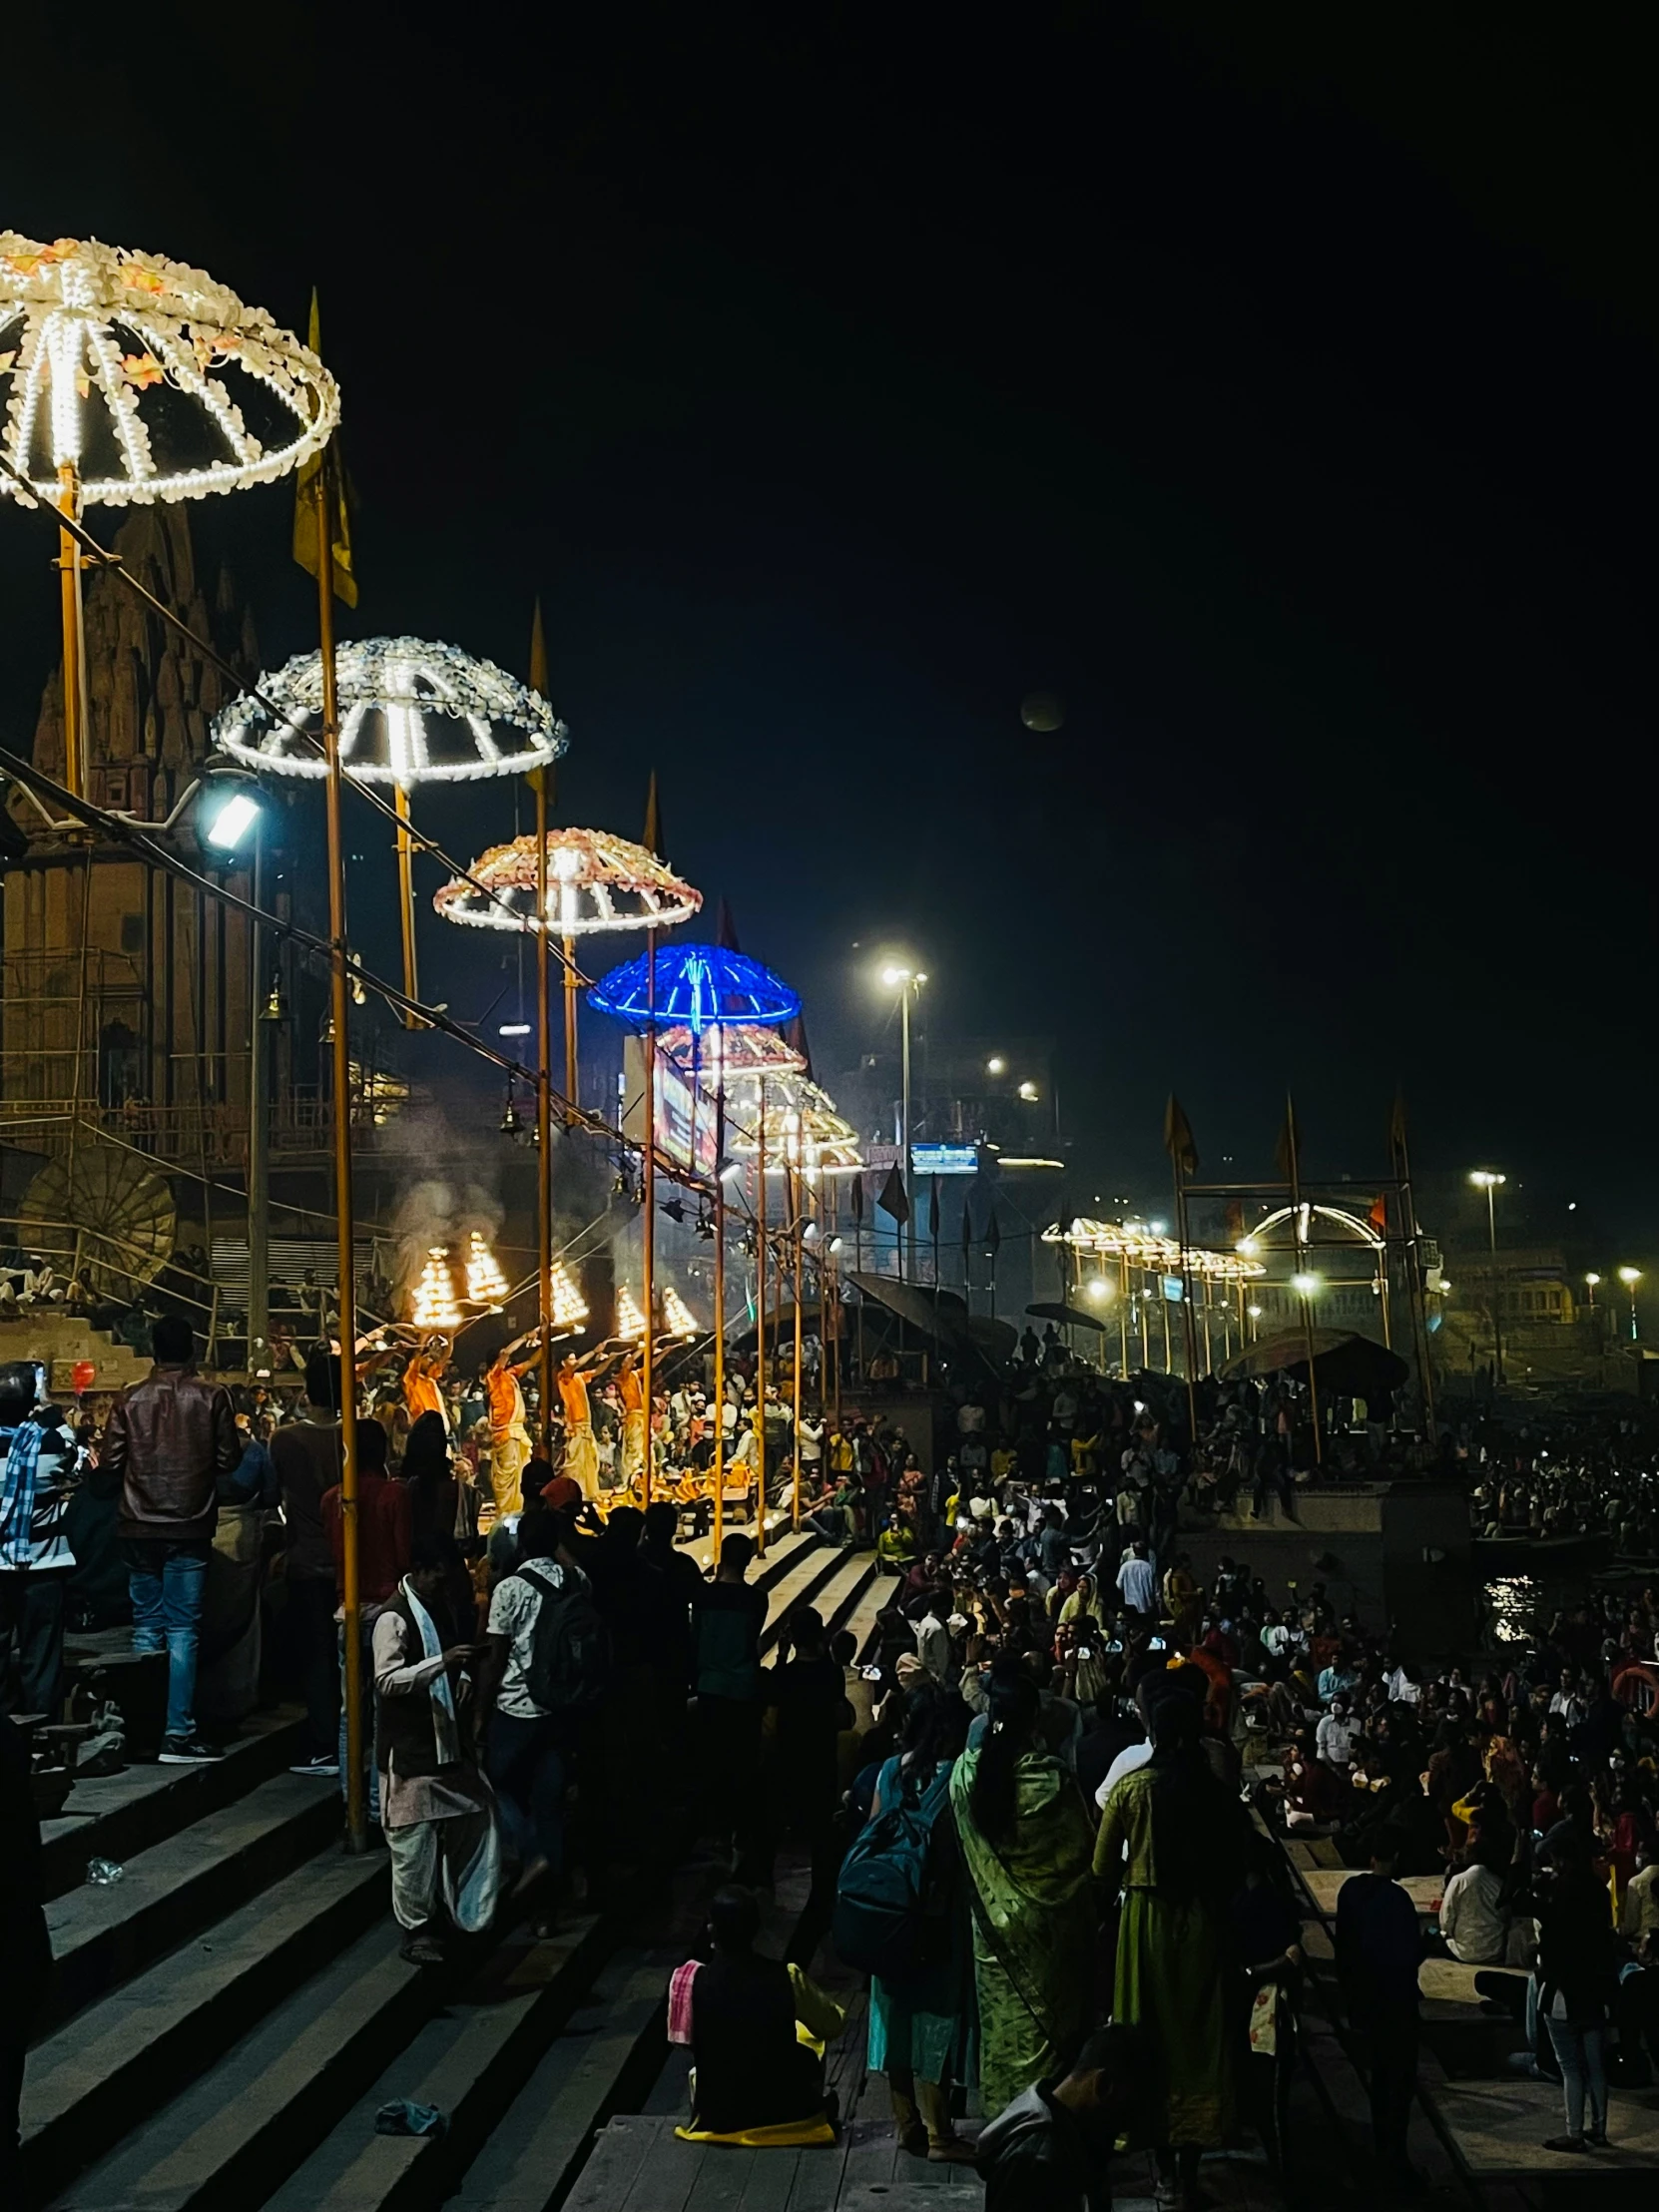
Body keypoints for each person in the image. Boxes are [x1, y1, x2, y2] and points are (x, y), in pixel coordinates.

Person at [1095, 1690, 1247, 2208]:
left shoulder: (1132, 1790)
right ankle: (1189, 2164)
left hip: (1146, 1925)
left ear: (1154, 1732)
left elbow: (1101, 1868)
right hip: (1204, 1926)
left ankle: (1158, 2168)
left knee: (1145, 2033)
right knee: (1198, 2040)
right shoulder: (1216, 1791)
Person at [949, 1671, 1096, 2117]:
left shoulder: (965, 1774)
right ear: (1035, 1719)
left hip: (991, 1932)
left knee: (1003, 2030)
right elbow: (1080, 1853)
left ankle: (1004, 2122)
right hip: (1051, 1934)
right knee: (1050, 2031)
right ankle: (1051, 2123)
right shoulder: (1051, 1780)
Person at [103, 1315, 239, 1762]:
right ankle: (177, 1733)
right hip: (190, 1525)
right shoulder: (213, 1396)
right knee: (183, 1629)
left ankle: (143, 1728)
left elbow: (110, 1465)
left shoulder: (129, 1399)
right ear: (193, 1348)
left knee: (147, 1626)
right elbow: (227, 1459)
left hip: (137, 1526)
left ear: (153, 1351)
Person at [373, 1535, 500, 1964]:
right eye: (438, 1576)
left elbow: (454, 1657)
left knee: (473, 1820)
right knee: (411, 1846)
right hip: (410, 1750)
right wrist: (440, 1665)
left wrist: (460, 1677)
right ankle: (417, 1928)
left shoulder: (439, 1606)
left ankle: (460, 1911)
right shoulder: (392, 1619)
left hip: (445, 1744)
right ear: (421, 1571)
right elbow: (386, 1681)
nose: (443, 1583)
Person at [863, 1684, 977, 2161]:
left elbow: (871, 1832)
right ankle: (940, 2134)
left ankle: (906, 2121)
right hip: (938, 1917)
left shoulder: (889, 1772)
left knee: (894, 2015)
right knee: (935, 2020)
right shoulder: (955, 1779)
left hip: (887, 1915)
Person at [475, 1505, 591, 1906]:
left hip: (516, 1709)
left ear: (521, 1543)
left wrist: (479, 1714)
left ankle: (531, 1853)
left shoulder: (509, 1588)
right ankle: (548, 1910)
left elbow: (496, 1657)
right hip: (563, 1706)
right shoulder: (577, 1580)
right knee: (550, 1802)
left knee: (498, 1787)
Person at [669, 1886, 844, 2143]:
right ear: (756, 1930)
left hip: (718, 2116)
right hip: (786, 2111)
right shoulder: (788, 1976)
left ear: (711, 1930)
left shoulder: (688, 1980)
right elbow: (833, 2025)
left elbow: (682, 2043)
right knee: (807, 2034)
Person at [321, 1417, 411, 1821]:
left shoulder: (332, 1499)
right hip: (386, 1609)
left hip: (349, 1611)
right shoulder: (394, 1496)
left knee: (349, 1712)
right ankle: (376, 1804)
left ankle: (350, 1795)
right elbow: (404, 1557)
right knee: (382, 1712)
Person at [976, 2024, 1148, 2212]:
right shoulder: (1035, 2161)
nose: (1131, 2125)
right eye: (1132, 2109)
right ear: (1103, 2085)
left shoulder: (1074, 2136)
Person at [1334, 1832, 1422, 2187]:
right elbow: (1408, 1955)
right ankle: (1395, 2161)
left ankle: (1381, 2153)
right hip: (1396, 2005)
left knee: (1379, 2080)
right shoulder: (1398, 1900)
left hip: (1364, 2000)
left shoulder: (1351, 1892)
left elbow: (1344, 1948)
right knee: (1398, 2086)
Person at [272, 1350, 344, 1776]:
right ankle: (351, 1737)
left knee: (316, 1656)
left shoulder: (285, 1440)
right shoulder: (361, 1433)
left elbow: (267, 1492)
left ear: (306, 1391)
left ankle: (325, 1743)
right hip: (352, 1561)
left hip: (307, 1560)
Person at [0, 1364, 83, 1721]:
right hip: (44, 1567)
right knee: (43, 1652)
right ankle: (40, 1729)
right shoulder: (51, 1443)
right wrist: (50, 1410)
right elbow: (75, 1455)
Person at [1533, 1835, 1617, 2150]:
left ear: (1562, 1860)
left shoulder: (1561, 1895)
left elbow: (1553, 1948)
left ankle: (1574, 2133)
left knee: (1570, 2067)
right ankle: (1600, 2129)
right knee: (1596, 2066)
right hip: (1596, 1992)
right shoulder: (1597, 1891)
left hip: (1564, 1993)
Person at [695, 1532, 768, 1878]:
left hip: (710, 1685)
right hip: (743, 1687)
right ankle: (742, 1830)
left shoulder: (704, 1596)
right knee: (742, 1761)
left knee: (711, 1758)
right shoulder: (757, 1600)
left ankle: (716, 1831)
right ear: (749, 1560)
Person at [484, 1334, 539, 1517]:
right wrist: (524, 1337)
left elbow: (532, 1361)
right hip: (505, 1433)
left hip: (517, 1432)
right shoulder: (494, 1376)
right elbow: (507, 1352)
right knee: (507, 1475)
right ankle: (506, 1513)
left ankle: (518, 1510)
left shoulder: (511, 1374)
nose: (507, 1356)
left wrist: (547, 1339)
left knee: (522, 1473)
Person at [1115, 1538, 1157, 1622]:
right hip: (1147, 1606)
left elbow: (1118, 1585)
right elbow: (1154, 1588)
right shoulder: (1149, 1567)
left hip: (1130, 1606)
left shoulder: (1125, 1566)